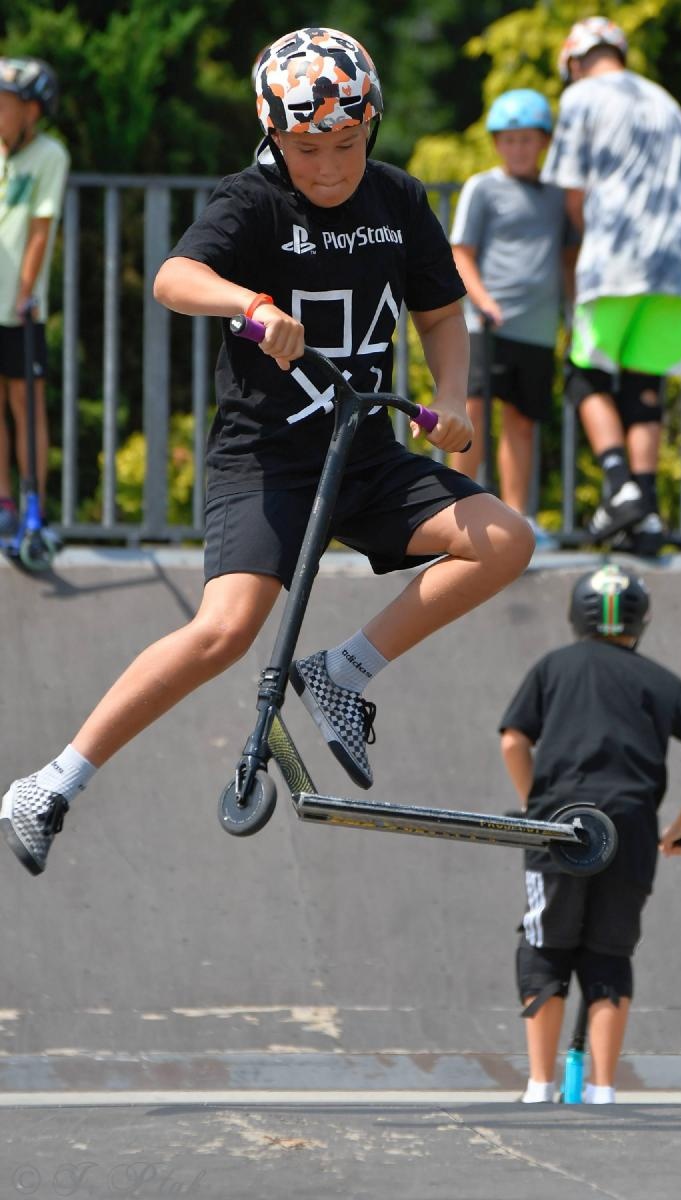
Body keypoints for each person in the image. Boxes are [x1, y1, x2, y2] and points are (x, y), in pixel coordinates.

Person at [0, 27, 534, 877]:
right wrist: (248, 304)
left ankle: (340, 674)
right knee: (226, 629)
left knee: (506, 538)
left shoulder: (398, 201)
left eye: (348, 145)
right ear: (273, 136)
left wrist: (456, 399)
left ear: (374, 127)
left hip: (363, 454)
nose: (329, 167)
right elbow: (178, 279)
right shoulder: (249, 202)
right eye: (307, 148)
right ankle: (52, 781)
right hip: (266, 458)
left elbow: (439, 309)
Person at [498, 564, 681, 1103]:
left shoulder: (552, 667)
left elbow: (514, 741)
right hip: (628, 828)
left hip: (559, 825)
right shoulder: (660, 680)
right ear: (640, 619)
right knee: (609, 951)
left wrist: (533, 805)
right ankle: (602, 1089)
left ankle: (539, 1084)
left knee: (544, 943)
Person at [541, 17, 681, 554]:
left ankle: (619, 488)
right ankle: (649, 514)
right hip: (676, 268)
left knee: (584, 376)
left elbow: (572, 194)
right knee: (644, 387)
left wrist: (588, 248)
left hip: (613, 259)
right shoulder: (668, 104)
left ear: (575, 62)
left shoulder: (582, 98)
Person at [449, 89, 575, 519]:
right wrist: (483, 301)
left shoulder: (559, 194)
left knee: (522, 423)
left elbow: (567, 257)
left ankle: (518, 516)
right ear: (497, 143)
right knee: (473, 417)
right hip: (487, 324)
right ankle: (459, 512)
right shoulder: (483, 187)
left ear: (543, 142)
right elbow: (460, 251)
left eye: (527, 139)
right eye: (509, 139)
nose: (518, 148)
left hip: (537, 329)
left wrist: (571, 314)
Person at [0, 57, 69, 535]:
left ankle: (34, 508)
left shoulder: (50, 155)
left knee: (27, 406)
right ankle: (3, 503)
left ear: (31, 111)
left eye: (5, 104)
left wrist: (23, 294)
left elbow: (41, 231)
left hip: (20, 308)